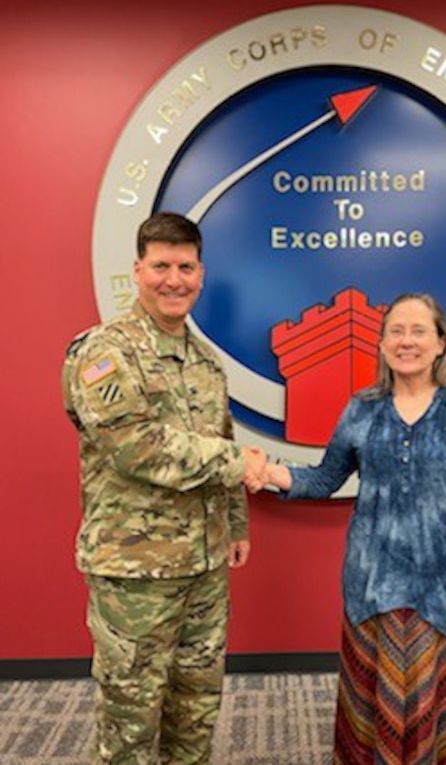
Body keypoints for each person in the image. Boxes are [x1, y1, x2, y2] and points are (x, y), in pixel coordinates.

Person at [251, 292, 446, 764]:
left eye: (418, 331)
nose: (406, 341)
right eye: (396, 332)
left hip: (444, 593)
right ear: (383, 343)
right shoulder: (361, 409)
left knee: (437, 711)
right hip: (372, 587)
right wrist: (270, 473)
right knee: (376, 711)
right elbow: (325, 477)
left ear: (440, 342)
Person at [62, 211, 266, 765]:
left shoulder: (204, 362)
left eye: (185, 266)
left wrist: (237, 523)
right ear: (137, 270)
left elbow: (218, 438)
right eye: (161, 266)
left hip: (204, 566)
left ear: (201, 273)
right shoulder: (104, 353)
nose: (174, 279)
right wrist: (237, 461)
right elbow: (136, 447)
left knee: (195, 706)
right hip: (135, 574)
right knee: (131, 714)